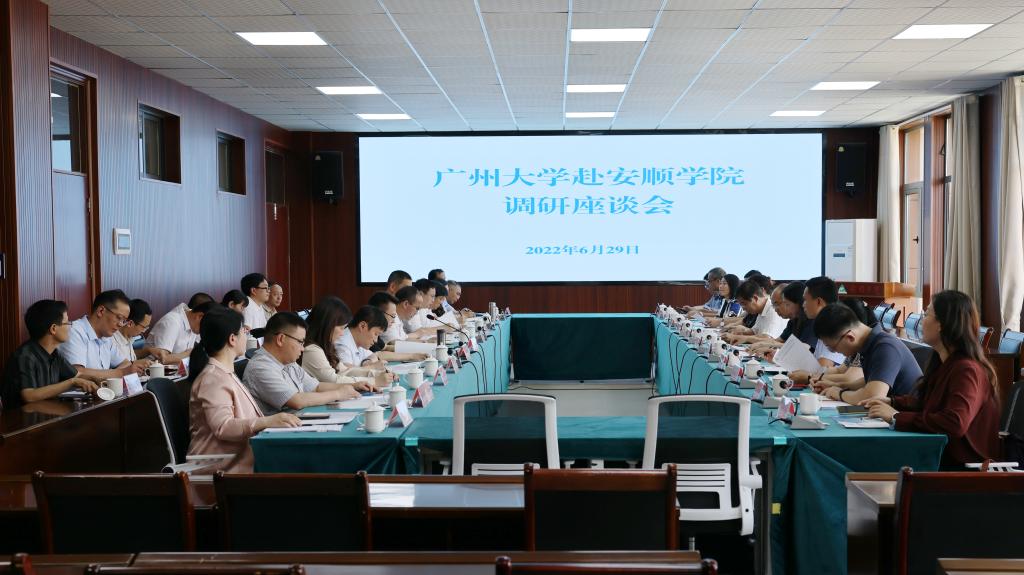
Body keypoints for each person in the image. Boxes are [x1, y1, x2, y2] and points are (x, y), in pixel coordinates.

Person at [861, 290, 1001, 468]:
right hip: (936, 454)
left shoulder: (967, 370)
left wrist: (896, 416)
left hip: (961, 468)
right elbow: (930, 403)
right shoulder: (943, 362)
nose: (921, 321)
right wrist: (892, 402)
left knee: (870, 460)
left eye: (926, 314)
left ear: (942, 324)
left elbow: (955, 422)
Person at [187, 308, 300, 473]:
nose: (246, 337)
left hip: (236, 464)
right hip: (220, 472)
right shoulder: (212, 379)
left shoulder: (223, 373)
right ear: (232, 339)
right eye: (244, 332)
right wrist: (268, 421)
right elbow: (223, 427)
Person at [243, 312, 362, 415]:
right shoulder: (260, 367)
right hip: (279, 430)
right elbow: (297, 401)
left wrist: (354, 386)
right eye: (300, 342)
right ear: (281, 339)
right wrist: (338, 394)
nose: (302, 348)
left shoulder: (288, 362)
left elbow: (316, 387)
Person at [812, 303, 923, 403]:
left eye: (833, 348)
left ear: (850, 337)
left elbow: (872, 396)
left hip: (906, 415)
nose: (835, 352)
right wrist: (837, 386)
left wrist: (839, 393)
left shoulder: (885, 347)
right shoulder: (869, 343)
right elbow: (871, 381)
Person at [1, 300, 98, 408]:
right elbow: (29, 395)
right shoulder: (25, 356)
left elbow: (77, 375)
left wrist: (98, 380)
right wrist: (72, 382)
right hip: (20, 417)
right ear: (53, 329)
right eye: (67, 323)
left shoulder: (55, 353)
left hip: (46, 413)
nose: (70, 327)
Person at [300, 296, 389, 390]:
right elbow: (334, 380)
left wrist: (376, 374)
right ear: (328, 325)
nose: (342, 333)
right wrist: (374, 381)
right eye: (341, 328)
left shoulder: (326, 345)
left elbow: (345, 371)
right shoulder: (311, 350)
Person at [60, 290, 150, 380]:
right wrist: (121, 372)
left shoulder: (106, 336)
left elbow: (126, 363)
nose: (121, 324)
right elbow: (77, 372)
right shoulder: (75, 331)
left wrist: (115, 375)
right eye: (119, 318)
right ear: (101, 311)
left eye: (124, 321)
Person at [147, 299, 217, 364]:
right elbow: (162, 359)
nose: (205, 331)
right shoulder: (172, 322)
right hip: (150, 371)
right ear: (200, 317)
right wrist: (189, 354)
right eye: (207, 327)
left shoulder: (193, 322)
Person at [367, 291, 431, 361]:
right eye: (392, 316)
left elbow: (386, 347)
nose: (394, 321)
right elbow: (379, 354)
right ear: (379, 313)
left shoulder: (376, 333)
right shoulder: (367, 331)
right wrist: (411, 356)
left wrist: (420, 347)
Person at [721, 277, 786, 341]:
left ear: (755, 298)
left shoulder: (772, 310)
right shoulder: (761, 310)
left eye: (744, 304)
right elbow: (754, 331)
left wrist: (737, 337)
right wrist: (742, 331)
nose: (743, 308)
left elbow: (767, 338)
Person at [112, 299, 153, 365]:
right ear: (130, 323)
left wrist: (149, 351)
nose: (144, 331)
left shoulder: (129, 338)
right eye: (144, 327)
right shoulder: (111, 341)